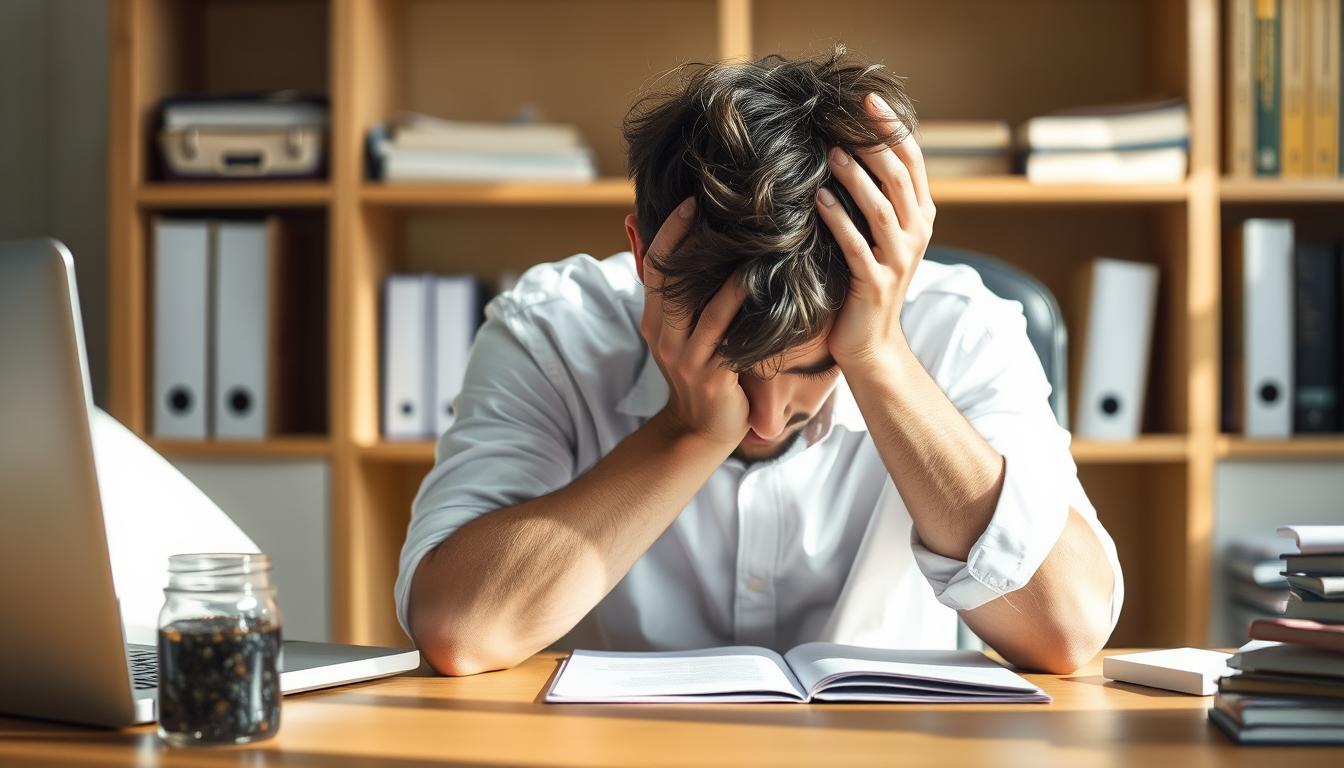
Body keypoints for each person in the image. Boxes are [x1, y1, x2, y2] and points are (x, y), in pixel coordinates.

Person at [395, 46, 1123, 676]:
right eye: (731, 366)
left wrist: (878, 358)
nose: (768, 420)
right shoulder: (551, 331)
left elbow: (1067, 628)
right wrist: (690, 432)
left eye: (813, 367)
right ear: (646, 258)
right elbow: (461, 630)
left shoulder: (963, 326)